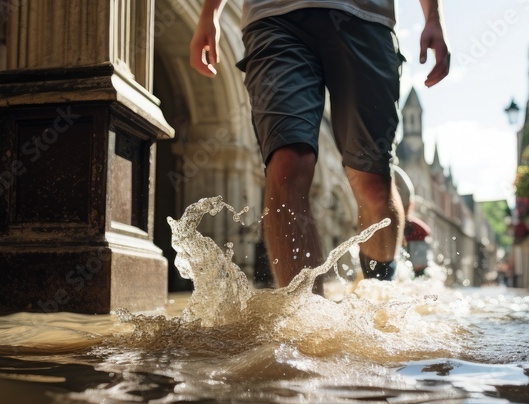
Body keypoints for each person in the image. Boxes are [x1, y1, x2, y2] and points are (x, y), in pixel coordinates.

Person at [190, 0, 450, 289]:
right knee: (287, 163)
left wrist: (433, 17)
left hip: (366, 17)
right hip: (273, 18)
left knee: (373, 184)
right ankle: (304, 320)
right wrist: (209, 12)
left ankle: (380, 303)